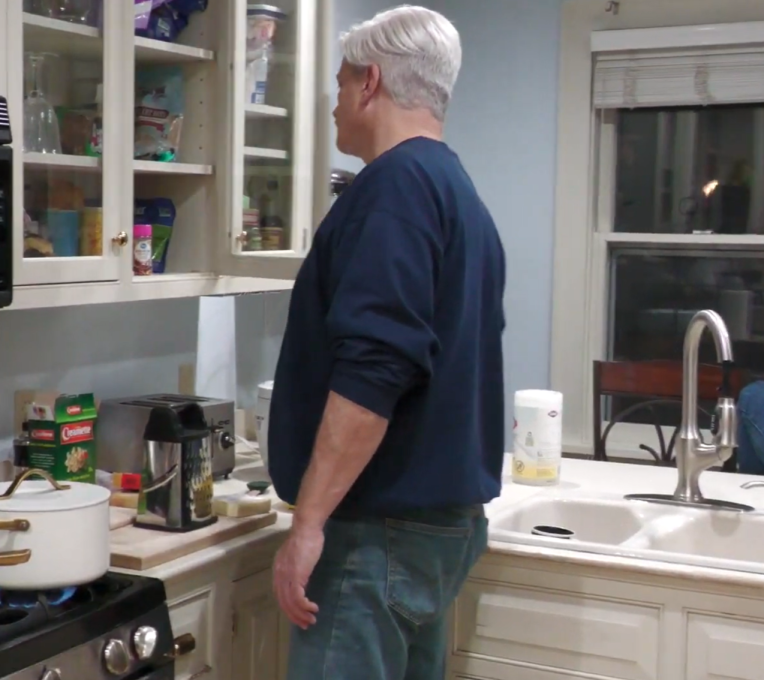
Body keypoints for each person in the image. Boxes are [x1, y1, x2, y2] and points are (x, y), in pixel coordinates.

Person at [267, 6, 507, 679]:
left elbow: (376, 368)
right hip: (439, 529)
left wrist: (308, 523)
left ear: (369, 83)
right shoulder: (461, 197)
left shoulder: (394, 190)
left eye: (340, 86)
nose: (337, 105)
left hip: (378, 535)